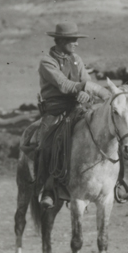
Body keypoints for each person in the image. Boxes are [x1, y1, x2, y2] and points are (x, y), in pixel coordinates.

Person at [35, 22, 111, 208]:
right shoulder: (47, 61)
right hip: (56, 110)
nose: (76, 43)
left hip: (78, 107)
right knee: (47, 143)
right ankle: (48, 187)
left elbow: (86, 80)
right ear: (60, 41)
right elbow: (63, 84)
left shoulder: (77, 58)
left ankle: (115, 182)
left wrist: (101, 95)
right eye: (72, 40)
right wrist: (80, 90)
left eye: (76, 40)